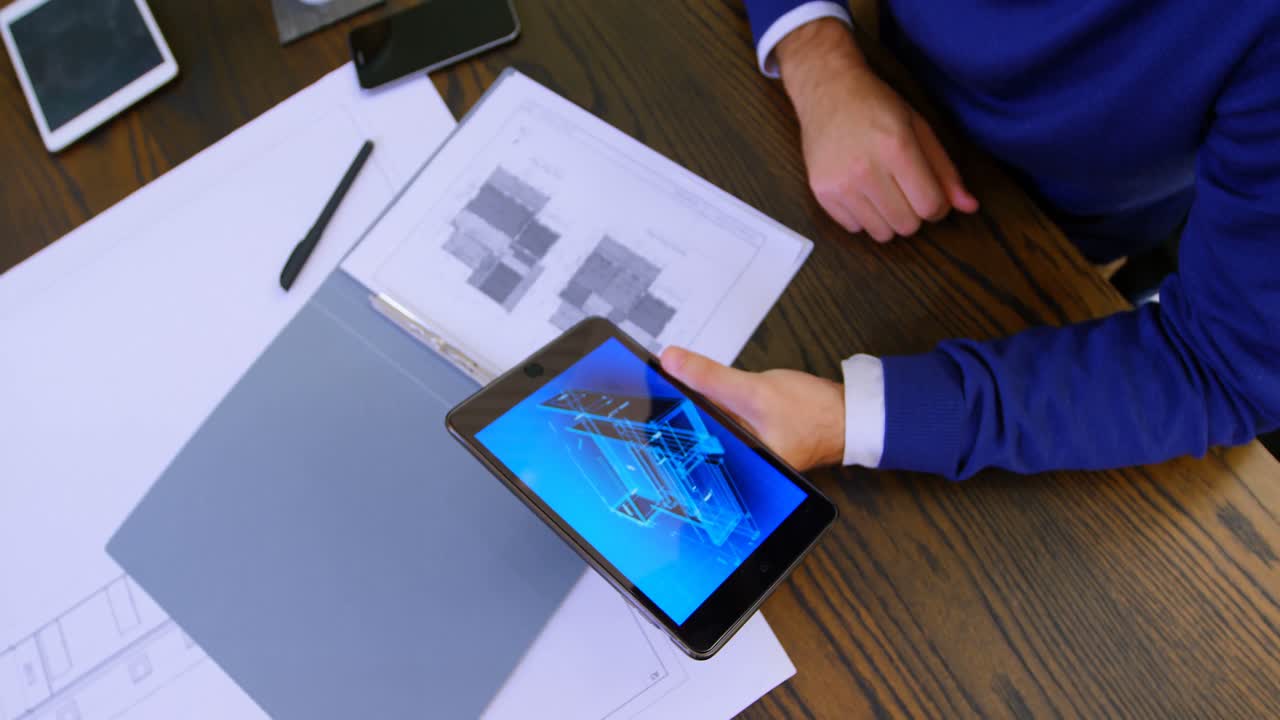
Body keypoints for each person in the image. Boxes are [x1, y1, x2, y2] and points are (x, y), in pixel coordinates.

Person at [660, 1, 1280, 479]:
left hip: (1053, 245)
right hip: (869, 77)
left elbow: (1225, 365)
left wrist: (851, 420)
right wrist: (816, 53)